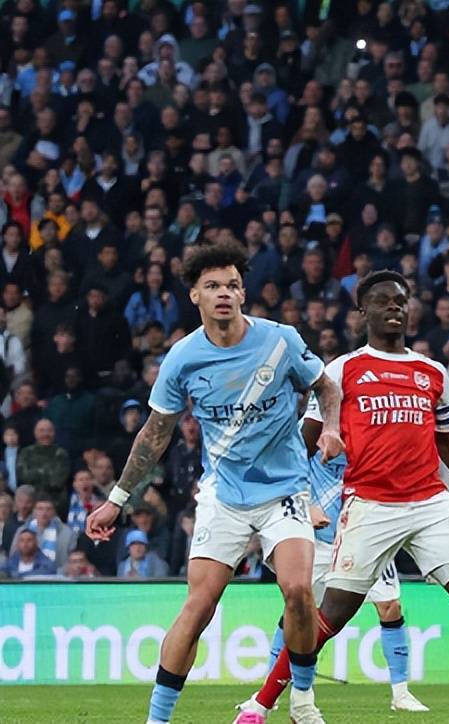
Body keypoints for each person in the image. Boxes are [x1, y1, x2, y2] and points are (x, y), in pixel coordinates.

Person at [253, 270, 449, 724]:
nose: (394, 306)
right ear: (362, 311)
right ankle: (261, 703)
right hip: (369, 505)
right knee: (334, 612)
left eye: (401, 301)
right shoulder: (341, 371)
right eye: (383, 300)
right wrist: (291, 498)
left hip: (429, 503)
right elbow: (303, 441)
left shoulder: (433, 373)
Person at [84, 242, 343, 724]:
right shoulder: (182, 358)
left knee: (298, 591)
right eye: (213, 286)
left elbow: (326, 385)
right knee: (199, 606)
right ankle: (157, 719)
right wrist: (116, 499)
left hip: (285, 492)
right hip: (223, 496)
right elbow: (155, 433)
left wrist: (330, 428)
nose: (224, 293)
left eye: (231, 285)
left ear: (243, 294)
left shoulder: (280, 340)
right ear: (195, 296)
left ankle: (303, 702)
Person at [238, 395, 428, 719]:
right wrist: (306, 507)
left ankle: (401, 692)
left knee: (390, 605)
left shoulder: (373, 430)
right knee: (299, 611)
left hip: (363, 534)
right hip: (320, 538)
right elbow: (286, 470)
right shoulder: (311, 430)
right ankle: (268, 691)